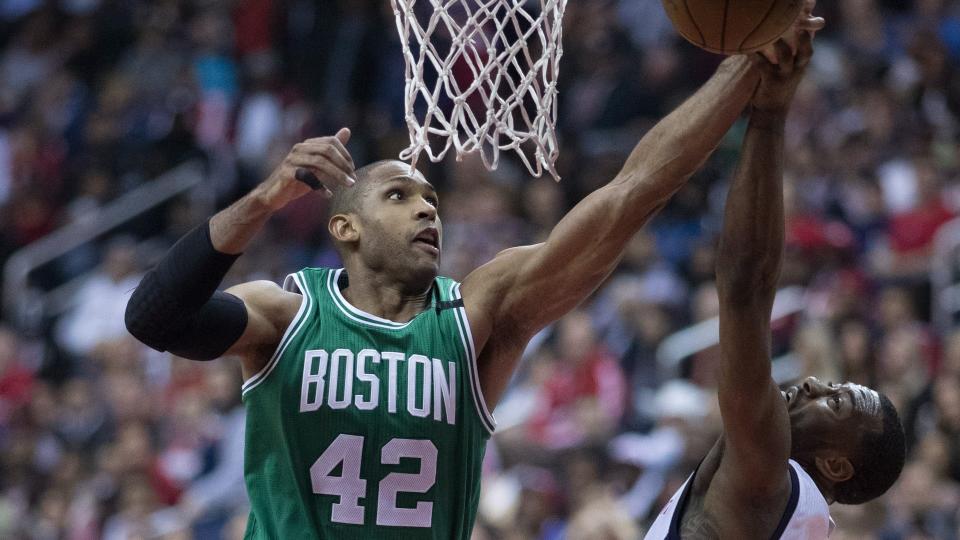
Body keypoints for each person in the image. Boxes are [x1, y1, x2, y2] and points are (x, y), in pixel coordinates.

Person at [123, 10, 823, 540]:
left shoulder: (477, 315)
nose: (428, 209)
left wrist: (744, 71)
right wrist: (265, 198)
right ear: (345, 226)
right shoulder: (286, 315)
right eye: (399, 196)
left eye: (432, 199)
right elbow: (154, 318)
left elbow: (629, 193)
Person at [643, 25, 906, 540]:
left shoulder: (768, 474)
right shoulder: (801, 515)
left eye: (835, 401)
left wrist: (768, 114)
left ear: (835, 465)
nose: (811, 383)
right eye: (832, 385)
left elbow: (745, 287)